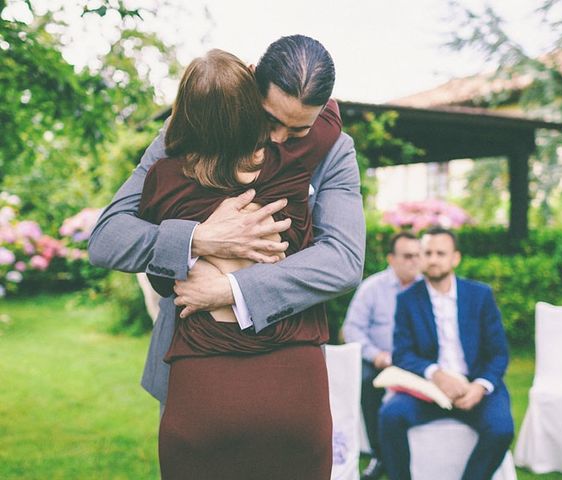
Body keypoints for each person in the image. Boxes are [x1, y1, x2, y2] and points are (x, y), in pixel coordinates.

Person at [88, 35, 364, 403]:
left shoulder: (335, 149)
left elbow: (344, 260)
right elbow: (108, 237)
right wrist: (201, 238)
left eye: (299, 131)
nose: (280, 139)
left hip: (289, 362)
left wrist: (233, 290)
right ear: (251, 79)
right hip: (193, 362)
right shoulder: (194, 125)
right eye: (269, 119)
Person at [137, 47, 344, 479]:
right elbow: (330, 119)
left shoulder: (163, 181)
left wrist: (198, 250)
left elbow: (161, 280)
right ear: (252, 101)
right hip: (292, 383)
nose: (283, 136)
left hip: (204, 385)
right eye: (272, 122)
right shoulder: (291, 166)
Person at [378, 227, 514, 480]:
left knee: (501, 429)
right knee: (390, 415)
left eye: (441, 253)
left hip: (474, 387)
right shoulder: (408, 299)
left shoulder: (480, 295)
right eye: (427, 252)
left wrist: (480, 387)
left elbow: (498, 354)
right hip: (429, 389)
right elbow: (402, 354)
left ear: (455, 258)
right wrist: (436, 375)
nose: (433, 259)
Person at [342, 232, 421, 480]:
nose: (414, 262)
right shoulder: (372, 288)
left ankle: (423, 449)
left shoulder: (427, 288)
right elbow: (351, 329)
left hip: (418, 361)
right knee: (368, 382)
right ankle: (380, 454)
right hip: (381, 360)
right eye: (408, 256)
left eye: (418, 255)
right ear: (391, 258)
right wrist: (376, 355)